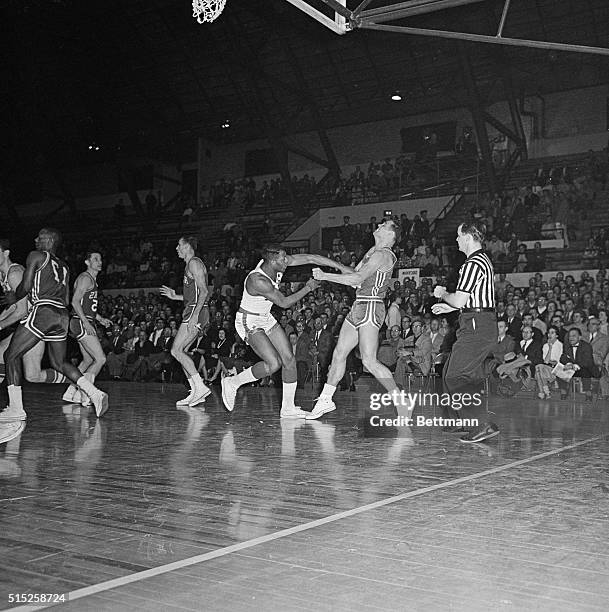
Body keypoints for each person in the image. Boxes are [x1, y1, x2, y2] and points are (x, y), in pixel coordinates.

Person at [220, 246, 349, 417]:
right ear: (272, 261)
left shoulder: (279, 262)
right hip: (248, 320)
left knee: (289, 359)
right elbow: (284, 303)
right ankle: (232, 382)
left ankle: (287, 408)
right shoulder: (258, 280)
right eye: (282, 259)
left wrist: (341, 267)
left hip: (265, 316)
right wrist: (308, 287)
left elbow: (312, 258)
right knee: (273, 364)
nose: (286, 261)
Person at [1, 228, 109, 428]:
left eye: (40, 237)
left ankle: (16, 409)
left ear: (49, 240)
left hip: (44, 310)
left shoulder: (36, 255)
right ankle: (94, 393)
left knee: (11, 355)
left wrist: (13, 296)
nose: (35, 239)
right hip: (62, 316)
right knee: (59, 362)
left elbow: (24, 288)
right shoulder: (65, 266)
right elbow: (67, 298)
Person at [308, 219, 410, 419]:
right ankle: (325, 400)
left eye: (384, 225)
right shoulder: (373, 250)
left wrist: (325, 275)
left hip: (371, 305)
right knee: (338, 353)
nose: (379, 225)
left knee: (369, 360)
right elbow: (356, 274)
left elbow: (356, 279)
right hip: (359, 304)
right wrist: (333, 266)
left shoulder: (383, 255)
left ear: (391, 234)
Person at [432, 221, 499, 443]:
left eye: (459, 236)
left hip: (476, 324)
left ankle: (480, 425)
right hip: (478, 320)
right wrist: (449, 307)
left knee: (455, 375)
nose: (457, 240)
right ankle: (463, 420)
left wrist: (443, 294)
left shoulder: (472, 263)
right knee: (458, 373)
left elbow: (460, 298)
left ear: (469, 237)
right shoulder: (481, 260)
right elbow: (469, 299)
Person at [0, 240, 67, 386]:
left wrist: (0, 325)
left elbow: (22, 310)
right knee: (30, 374)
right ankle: (80, 379)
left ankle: (78, 379)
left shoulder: (15, 273)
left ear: (6, 254)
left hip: (36, 322)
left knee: (22, 367)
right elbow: (14, 306)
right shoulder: (3, 275)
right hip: (28, 323)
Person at [160, 236, 211, 407]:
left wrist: (195, 315)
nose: (176, 248)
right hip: (195, 310)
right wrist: (176, 296)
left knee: (175, 351)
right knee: (182, 352)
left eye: (179, 245)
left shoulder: (194, 263)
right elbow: (192, 296)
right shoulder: (190, 265)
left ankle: (200, 387)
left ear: (188, 246)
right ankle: (196, 391)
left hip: (196, 312)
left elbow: (204, 292)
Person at [62, 252, 112, 406]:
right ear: (87, 262)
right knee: (101, 358)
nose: (99, 261)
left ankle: (71, 392)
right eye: (95, 259)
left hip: (81, 321)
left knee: (88, 360)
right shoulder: (85, 278)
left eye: (100, 259)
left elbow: (87, 306)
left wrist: (99, 319)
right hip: (80, 322)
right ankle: (86, 394)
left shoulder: (92, 280)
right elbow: (75, 302)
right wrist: (86, 322)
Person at [535, 325, 563, 399]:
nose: (550, 335)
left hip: (557, 369)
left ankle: (543, 392)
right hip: (546, 368)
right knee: (539, 368)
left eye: (552, 333)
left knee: (539, 368)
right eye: (548, 333)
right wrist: (550, 348)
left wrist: (552, 362)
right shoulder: (545, 346)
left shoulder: (560, 345)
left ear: (557, 335)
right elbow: (546, 361)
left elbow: (558, 362)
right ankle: (546, 392)